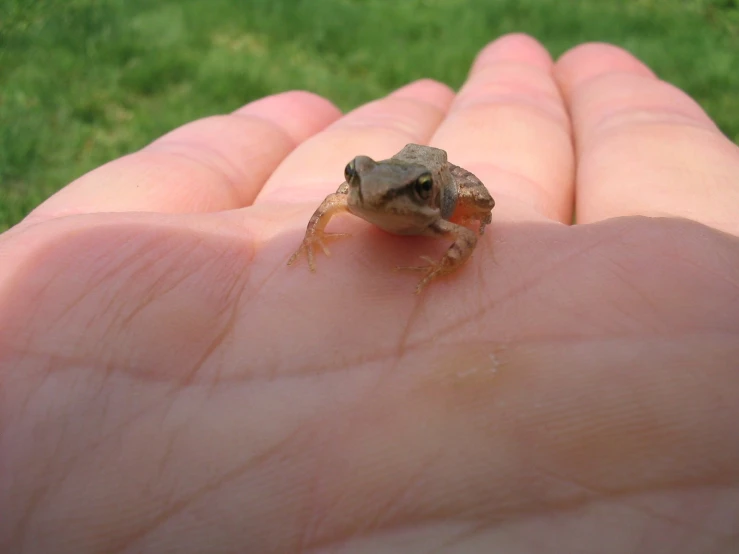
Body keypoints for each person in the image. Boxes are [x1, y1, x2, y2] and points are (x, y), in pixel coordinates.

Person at [1, 34, 737, 553]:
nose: (364, 199)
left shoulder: (437, 198)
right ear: (355, 179)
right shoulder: (356, 194)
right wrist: (317, 234)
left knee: (476, 201)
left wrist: (447, 258)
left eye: (388, 191)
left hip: (432, 181)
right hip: (397, 171)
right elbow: (328, 202)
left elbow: (474, 225)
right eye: (357, 183)